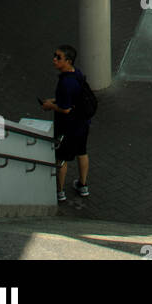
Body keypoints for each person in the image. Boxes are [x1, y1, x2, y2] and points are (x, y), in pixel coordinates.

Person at [42, 44, 92, 201]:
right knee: (81, 152)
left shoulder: (65, 83)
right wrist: (56, 100)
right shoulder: (77, 74)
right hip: (83, 122)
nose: (54, 59)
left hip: (68, 126)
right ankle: (83, 185)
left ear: (68, 61)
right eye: (54, 55)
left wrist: (50, 105)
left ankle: (59, 191)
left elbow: (65, 109)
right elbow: (72, 98)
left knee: (62, 157)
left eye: (58, 57)